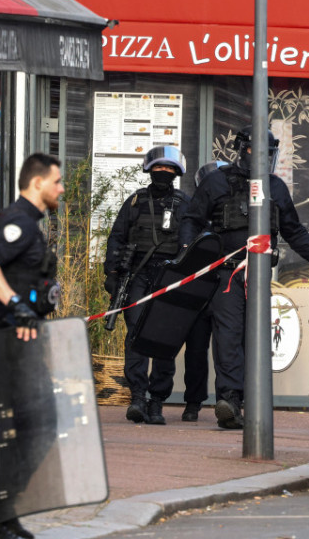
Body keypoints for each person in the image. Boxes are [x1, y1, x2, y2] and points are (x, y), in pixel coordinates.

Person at [179, 126, 309, 430]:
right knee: (228, 336)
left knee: (254, 338)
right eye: (256, 152)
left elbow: (294, 232)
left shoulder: (276, 188)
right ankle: (229, 399)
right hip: (225, 275)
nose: (262, 159)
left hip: (258, 274)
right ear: (241, 150)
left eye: (267, 154)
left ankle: (245, 400)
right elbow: (191, 221)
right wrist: (190, 254)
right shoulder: (216, 182)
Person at [0, 152, 64, 539]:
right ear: (37, 183)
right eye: (57, 182)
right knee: (32, 425)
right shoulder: (17, 222)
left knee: (33, 426)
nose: (61, 189)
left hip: (22, 339)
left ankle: (2, 512)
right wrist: (17, 306)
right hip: (7, 338)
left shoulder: (29, 223)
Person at [104, 146, 201, 425]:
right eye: (160, 168)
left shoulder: (185, 204)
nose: (164, 173)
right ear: (150, 170)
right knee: (135, 335)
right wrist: (111, 272)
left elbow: (194, 241)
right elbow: (117, 238)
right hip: (137, 276)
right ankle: (137, 397)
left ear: (177, 173)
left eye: (170, 169)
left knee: (164, 338)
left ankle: (157, 401)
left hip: (169, 278)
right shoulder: (135, 202)